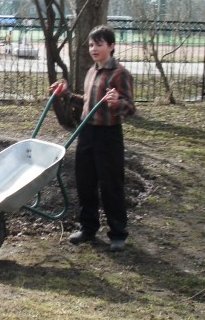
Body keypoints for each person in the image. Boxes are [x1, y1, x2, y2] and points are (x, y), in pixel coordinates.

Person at [50, 25, 135, 252]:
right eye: (91, 44)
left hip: (109, 135)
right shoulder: (91, 72)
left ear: (111, 46)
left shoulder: (120, 74)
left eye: (99, 44)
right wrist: (66, 95)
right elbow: (88, 103)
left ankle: (118, 234)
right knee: (84, 182)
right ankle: (88, 228)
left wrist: (118, 103)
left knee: (111, 185)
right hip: (87, 133)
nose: (93, 48)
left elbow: (130, 108)